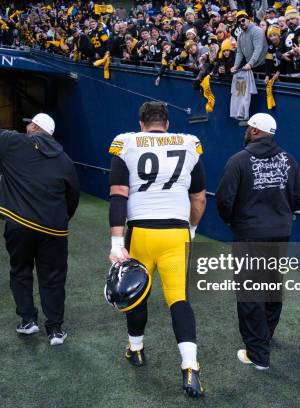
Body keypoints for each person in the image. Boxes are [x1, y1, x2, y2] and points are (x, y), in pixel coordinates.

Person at [108, 101, 207, 398]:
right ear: (166, 123)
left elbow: (117, 198)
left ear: (141, 123)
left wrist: (116, 243)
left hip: (141, 232)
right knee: (179, 299)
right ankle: (190, 368)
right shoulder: (189, 144)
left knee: (136, 294)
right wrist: (190, 229)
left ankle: (135, 349)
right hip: (176, 233)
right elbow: (199, 198)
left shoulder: (126, 142)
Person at [0, 102, 80, 346]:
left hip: (19, 224)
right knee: (53, 277)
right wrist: (59, 219)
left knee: (21, 271)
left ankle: (28, 320)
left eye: (30, 124)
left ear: (35, 126)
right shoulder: (64, 159)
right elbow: (72, 196)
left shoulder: (14, 142)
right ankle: (55, 330)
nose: (27, 127)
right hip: (54, 229)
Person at [215, 113, 300, 370]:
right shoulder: (288, 160)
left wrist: (233, 221)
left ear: (255, 131)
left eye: (249, 128)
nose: (246, 131)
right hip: (281, 233)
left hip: (249, 234)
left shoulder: (238, 161)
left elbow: (224, 201)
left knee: (250, 293)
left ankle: (257, 354)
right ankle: (266, 335)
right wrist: (281, 213)